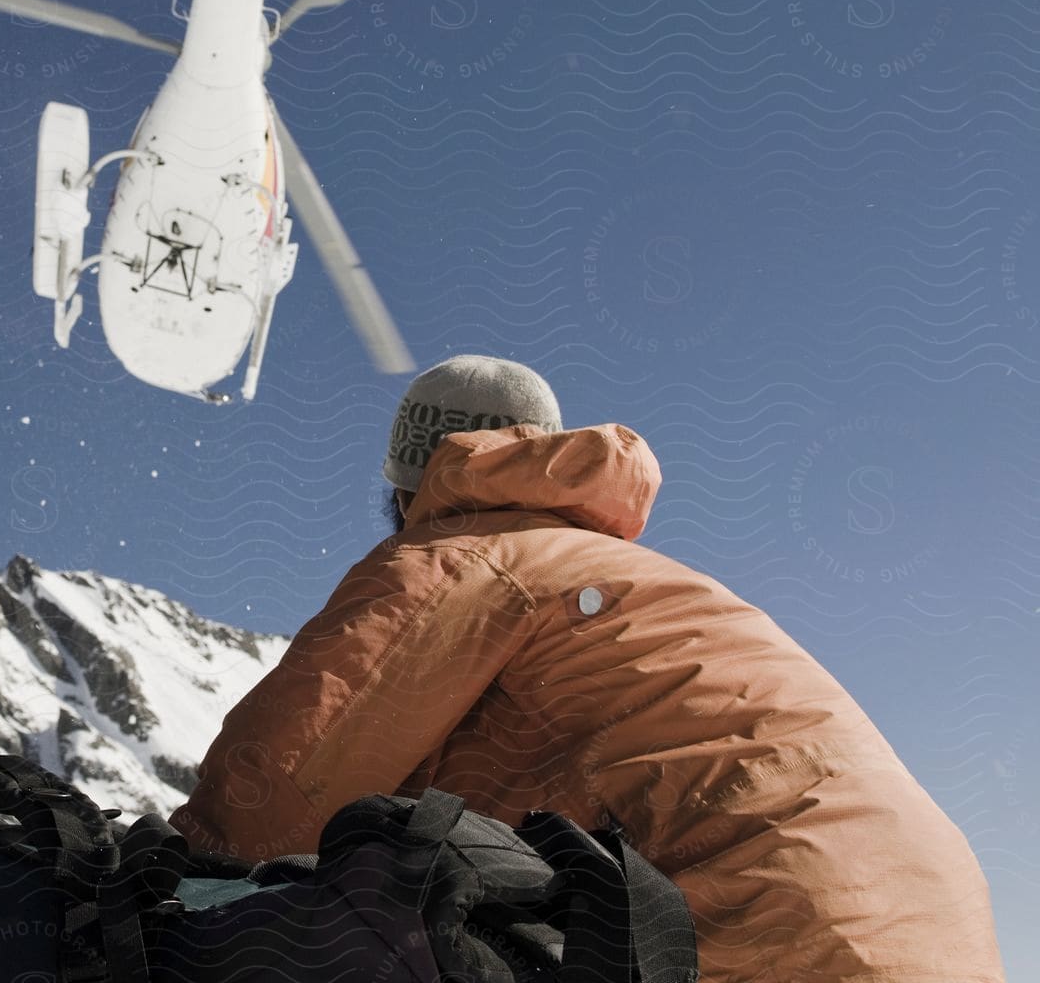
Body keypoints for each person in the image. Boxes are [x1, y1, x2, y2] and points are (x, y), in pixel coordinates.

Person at [169, 355, 1005, 982]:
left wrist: (153, 888)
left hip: (761, 932)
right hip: (933, 930)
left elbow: (271, 795)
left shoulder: (460, 558)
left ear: (405, 485)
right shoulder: (633, 579)